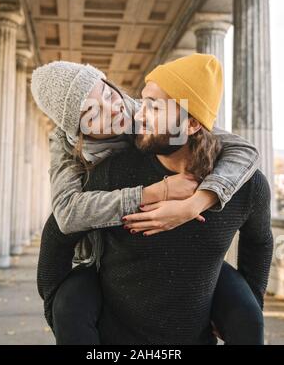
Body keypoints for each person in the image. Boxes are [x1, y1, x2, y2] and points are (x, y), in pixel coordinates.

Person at [32, 55, 271, 344]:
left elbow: (259, 238)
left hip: (195, 323)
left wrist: (196, 202)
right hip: (112, 319)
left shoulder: (245, 184)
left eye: (153, 106)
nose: (133, 113)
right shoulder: (100, 170)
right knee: (70, 299)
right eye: (91, 115)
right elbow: (62, 225)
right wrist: (61, 315)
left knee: (246, 313)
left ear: (192, 123)